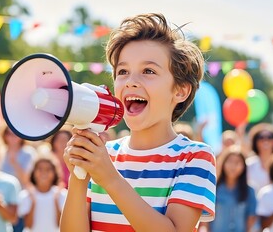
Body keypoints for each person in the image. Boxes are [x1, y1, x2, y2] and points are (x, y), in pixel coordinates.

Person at [61, 13, 216, 232]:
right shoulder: (103, 155)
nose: (131, 82)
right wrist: (78, 180)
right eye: (123, 71)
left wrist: (109, 177)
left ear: (180, 90)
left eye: (149, 71)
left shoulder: (194, 157)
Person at [202, 145, 256, 232]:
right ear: (223, 164)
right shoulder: (213, 187)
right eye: (230, 161)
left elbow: (251, 219)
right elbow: (205, 220)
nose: (233, 166)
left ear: (244, 166)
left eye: (238, 162)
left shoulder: (249, 190)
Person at [20, 156, 67, 232]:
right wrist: (33, 203)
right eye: (40, 169)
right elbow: (28, 225)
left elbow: (60, 225)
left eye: (48, 169)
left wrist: (56, 201)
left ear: (54, 173)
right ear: (33, 172)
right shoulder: (26, 195)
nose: (44, 172)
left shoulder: (62, 195)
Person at [246, 123, 273, 194]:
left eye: (269, 137)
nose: (265, 140)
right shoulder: (249, 165)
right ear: (255, 142)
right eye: (261, 137)